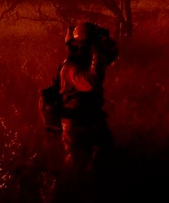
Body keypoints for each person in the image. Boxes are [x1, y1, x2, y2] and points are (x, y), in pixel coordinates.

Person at [43, 22, 118, 174]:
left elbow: (110, 57)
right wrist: (96, 51)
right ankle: (71, 188)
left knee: (105, 151)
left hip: (89, 118)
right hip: (76, 123)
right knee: (77, 162)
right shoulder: (70, 68)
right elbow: (92, 81)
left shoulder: (80, 62)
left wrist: (104, 50)